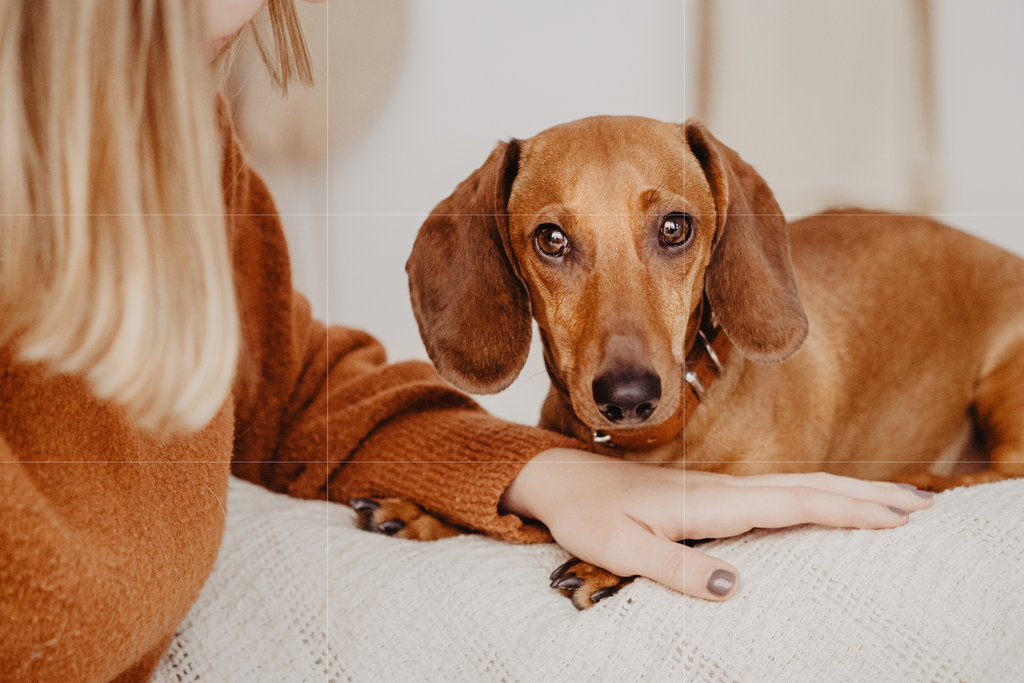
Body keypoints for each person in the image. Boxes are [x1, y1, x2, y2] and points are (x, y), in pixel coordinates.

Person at [0, 1, 933, 681]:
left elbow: (285, 386)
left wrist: (537, 473)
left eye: (672, 235)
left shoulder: (174, 137)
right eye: (557, 244)